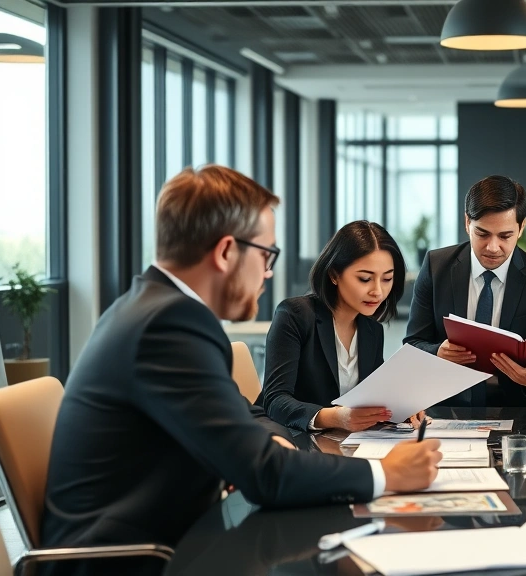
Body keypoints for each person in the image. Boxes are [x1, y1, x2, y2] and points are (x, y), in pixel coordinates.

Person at [40, 166, 441, 576]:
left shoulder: (158, 309)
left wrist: (271, 441)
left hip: (174, 542)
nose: (268, 272)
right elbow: (264, 475)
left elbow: (243, 410)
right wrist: (385, 472)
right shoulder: (168, 326)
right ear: (227, 251)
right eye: (266, 253)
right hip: (133, 560)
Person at [404, 175, 526, 407]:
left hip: (516, 410)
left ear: (521, 228)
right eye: (482, 234)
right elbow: (412, 344)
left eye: (505, 236)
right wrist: (437, 353)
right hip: (445, 408)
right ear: (467, 223)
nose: (493, 247)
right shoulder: (436, 266)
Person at [260, 220, 418, 432]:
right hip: (293, 443)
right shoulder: (295, 315)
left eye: (387, 279)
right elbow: (275, 401)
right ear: (334, 274)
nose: (378, 291)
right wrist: (335, 417)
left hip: (345, 444)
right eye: (365, 279)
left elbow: (372, 395)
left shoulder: (372, 329)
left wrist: (400, 408)